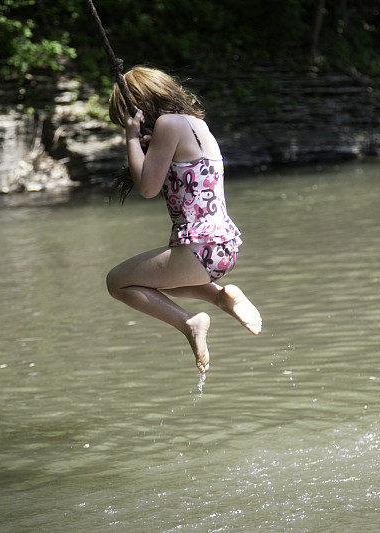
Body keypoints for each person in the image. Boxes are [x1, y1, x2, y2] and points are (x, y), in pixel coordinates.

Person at [105, 65, 262, 374]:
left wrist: (131, 139)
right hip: (224, 247)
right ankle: (222, 297)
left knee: (117, 282)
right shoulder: (195, 125)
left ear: (140, 108)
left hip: (198, 249)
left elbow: (148, 188)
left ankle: (190, 322)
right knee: (170, 287)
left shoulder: (167, 124)